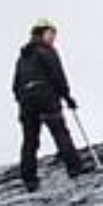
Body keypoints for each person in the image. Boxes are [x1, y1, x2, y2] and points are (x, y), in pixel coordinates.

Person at [12, 20, 88, 187]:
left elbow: (15, 84)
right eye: (51, 33)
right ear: (42, 33)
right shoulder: (46, 51)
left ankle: (29, 179)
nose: (53, 38)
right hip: (45, 95)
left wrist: (22, 99)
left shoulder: (23, 57)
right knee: (59, 131)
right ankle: (74, 167)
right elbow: (57, 75)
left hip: (26, 100)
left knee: (30, 139)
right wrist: (67, 97)